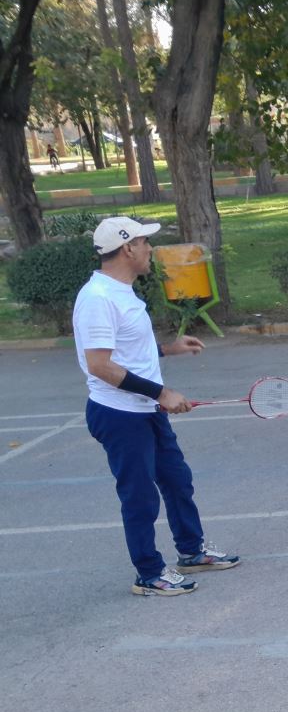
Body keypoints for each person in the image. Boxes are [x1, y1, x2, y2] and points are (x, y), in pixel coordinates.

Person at [73, 216, 240, 596]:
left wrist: (167, 349)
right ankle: (148, 574)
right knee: (140, 497)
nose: (150, 249)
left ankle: (192, 552)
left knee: (178, 481)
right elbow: (99, 365)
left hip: (145, 408)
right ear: (127, 248)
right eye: (144, 242)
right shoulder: (98, 298)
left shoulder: (122, 291)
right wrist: (161, 393)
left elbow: (126, 352)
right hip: (120, 415)